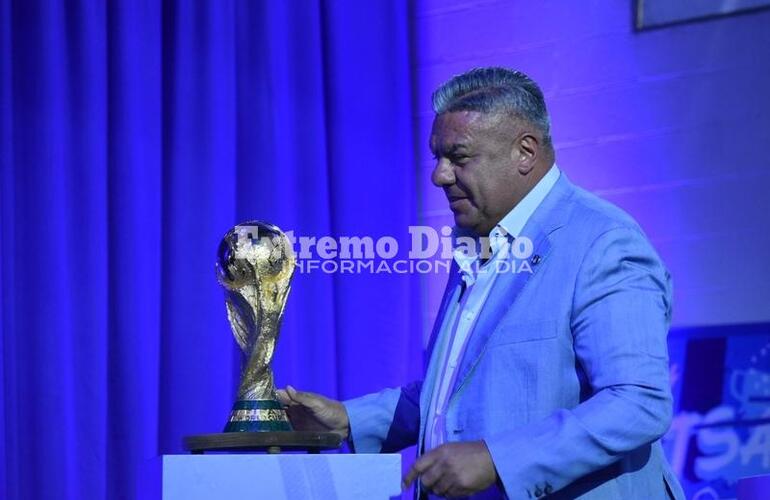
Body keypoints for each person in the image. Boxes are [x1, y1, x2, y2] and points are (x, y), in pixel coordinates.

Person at [277, 67, 685, 499]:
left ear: (525, 152)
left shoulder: (602, 242)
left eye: (459, 156)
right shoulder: (479, 240)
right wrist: (349, 420)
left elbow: (638, 402)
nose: (439, 175)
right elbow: (462, 397)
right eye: (436, 156)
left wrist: (498, 459)